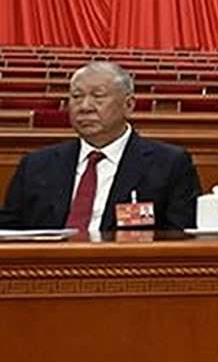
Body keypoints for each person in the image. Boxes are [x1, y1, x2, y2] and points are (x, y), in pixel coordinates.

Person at [1, 61, 199, 233]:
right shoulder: (36, 164)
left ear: (129, 105)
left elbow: (179, 235)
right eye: (76, 96)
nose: (85, 107)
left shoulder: (169, 164)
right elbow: (9, 229)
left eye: (98, 96)